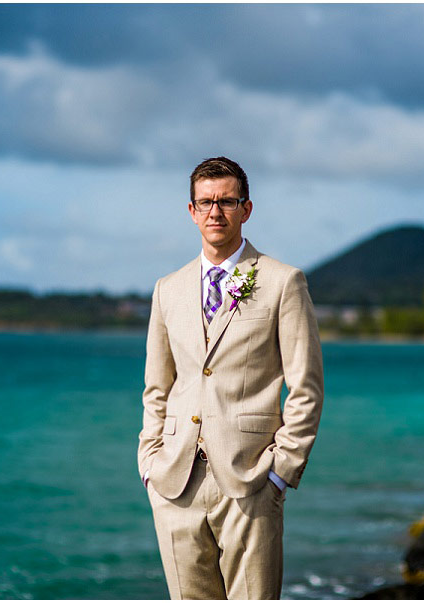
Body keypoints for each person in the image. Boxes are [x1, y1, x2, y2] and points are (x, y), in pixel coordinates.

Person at [137, 156, 324, 599]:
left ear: (246, 208)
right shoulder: (168, 288)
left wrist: (281, 471)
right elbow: (157, 387)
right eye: (205, 203)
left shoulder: (283, 282)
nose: (214, 213)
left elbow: (306, 387)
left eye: (226, 201)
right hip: (175, 483)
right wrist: (149, 463)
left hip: (251, 480)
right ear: (190, 210)